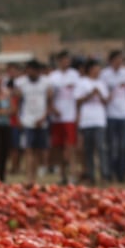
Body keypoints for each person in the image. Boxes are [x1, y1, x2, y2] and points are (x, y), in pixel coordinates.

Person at [14, 59, 52, 185]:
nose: (30, 73)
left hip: (42, 121)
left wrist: (44, 117)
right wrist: (18, 118)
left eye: (32, 70)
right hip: (27, 120)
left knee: (38, 151)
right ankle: (29, 177)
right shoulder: (21, 83)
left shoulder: (46, 83)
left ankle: (34, 177)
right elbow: (17, 102)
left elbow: (50, 103)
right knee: (28, 149)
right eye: (28, 70)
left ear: (38, 71)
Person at [101, 50, 125, 183]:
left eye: (120, 59)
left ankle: (122, 172)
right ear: (111, 60)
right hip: (110, 115)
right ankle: (110, 172)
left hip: (124, 114)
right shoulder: (105, 74)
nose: (119, 62)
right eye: (117, 59)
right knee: (111, 145)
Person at [46, 51, 80, 184]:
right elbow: (48, 96)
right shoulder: (52, 77)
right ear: (59, 61)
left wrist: (77, 113)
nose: (66, 62)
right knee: (58, 147)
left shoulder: (75, 75)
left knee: (71, 146)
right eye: (64, 60)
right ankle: (62, 175)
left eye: (68, 60)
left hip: (70, 116)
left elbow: (78, 96)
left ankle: (73, 174)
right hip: (57, 117)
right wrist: (53, 108)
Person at [74, 58, 109, 185]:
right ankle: (90, 176)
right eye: (96, 68)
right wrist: (90, 94)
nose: (98, 71)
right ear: (90, 69)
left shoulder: (102, 83)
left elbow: (106, 101)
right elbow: (77, 100)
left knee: (101, 148)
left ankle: (104, 175)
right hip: (86, 120)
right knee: (88, 150)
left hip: (100, 120)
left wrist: (99, 94)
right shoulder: (82, 83)